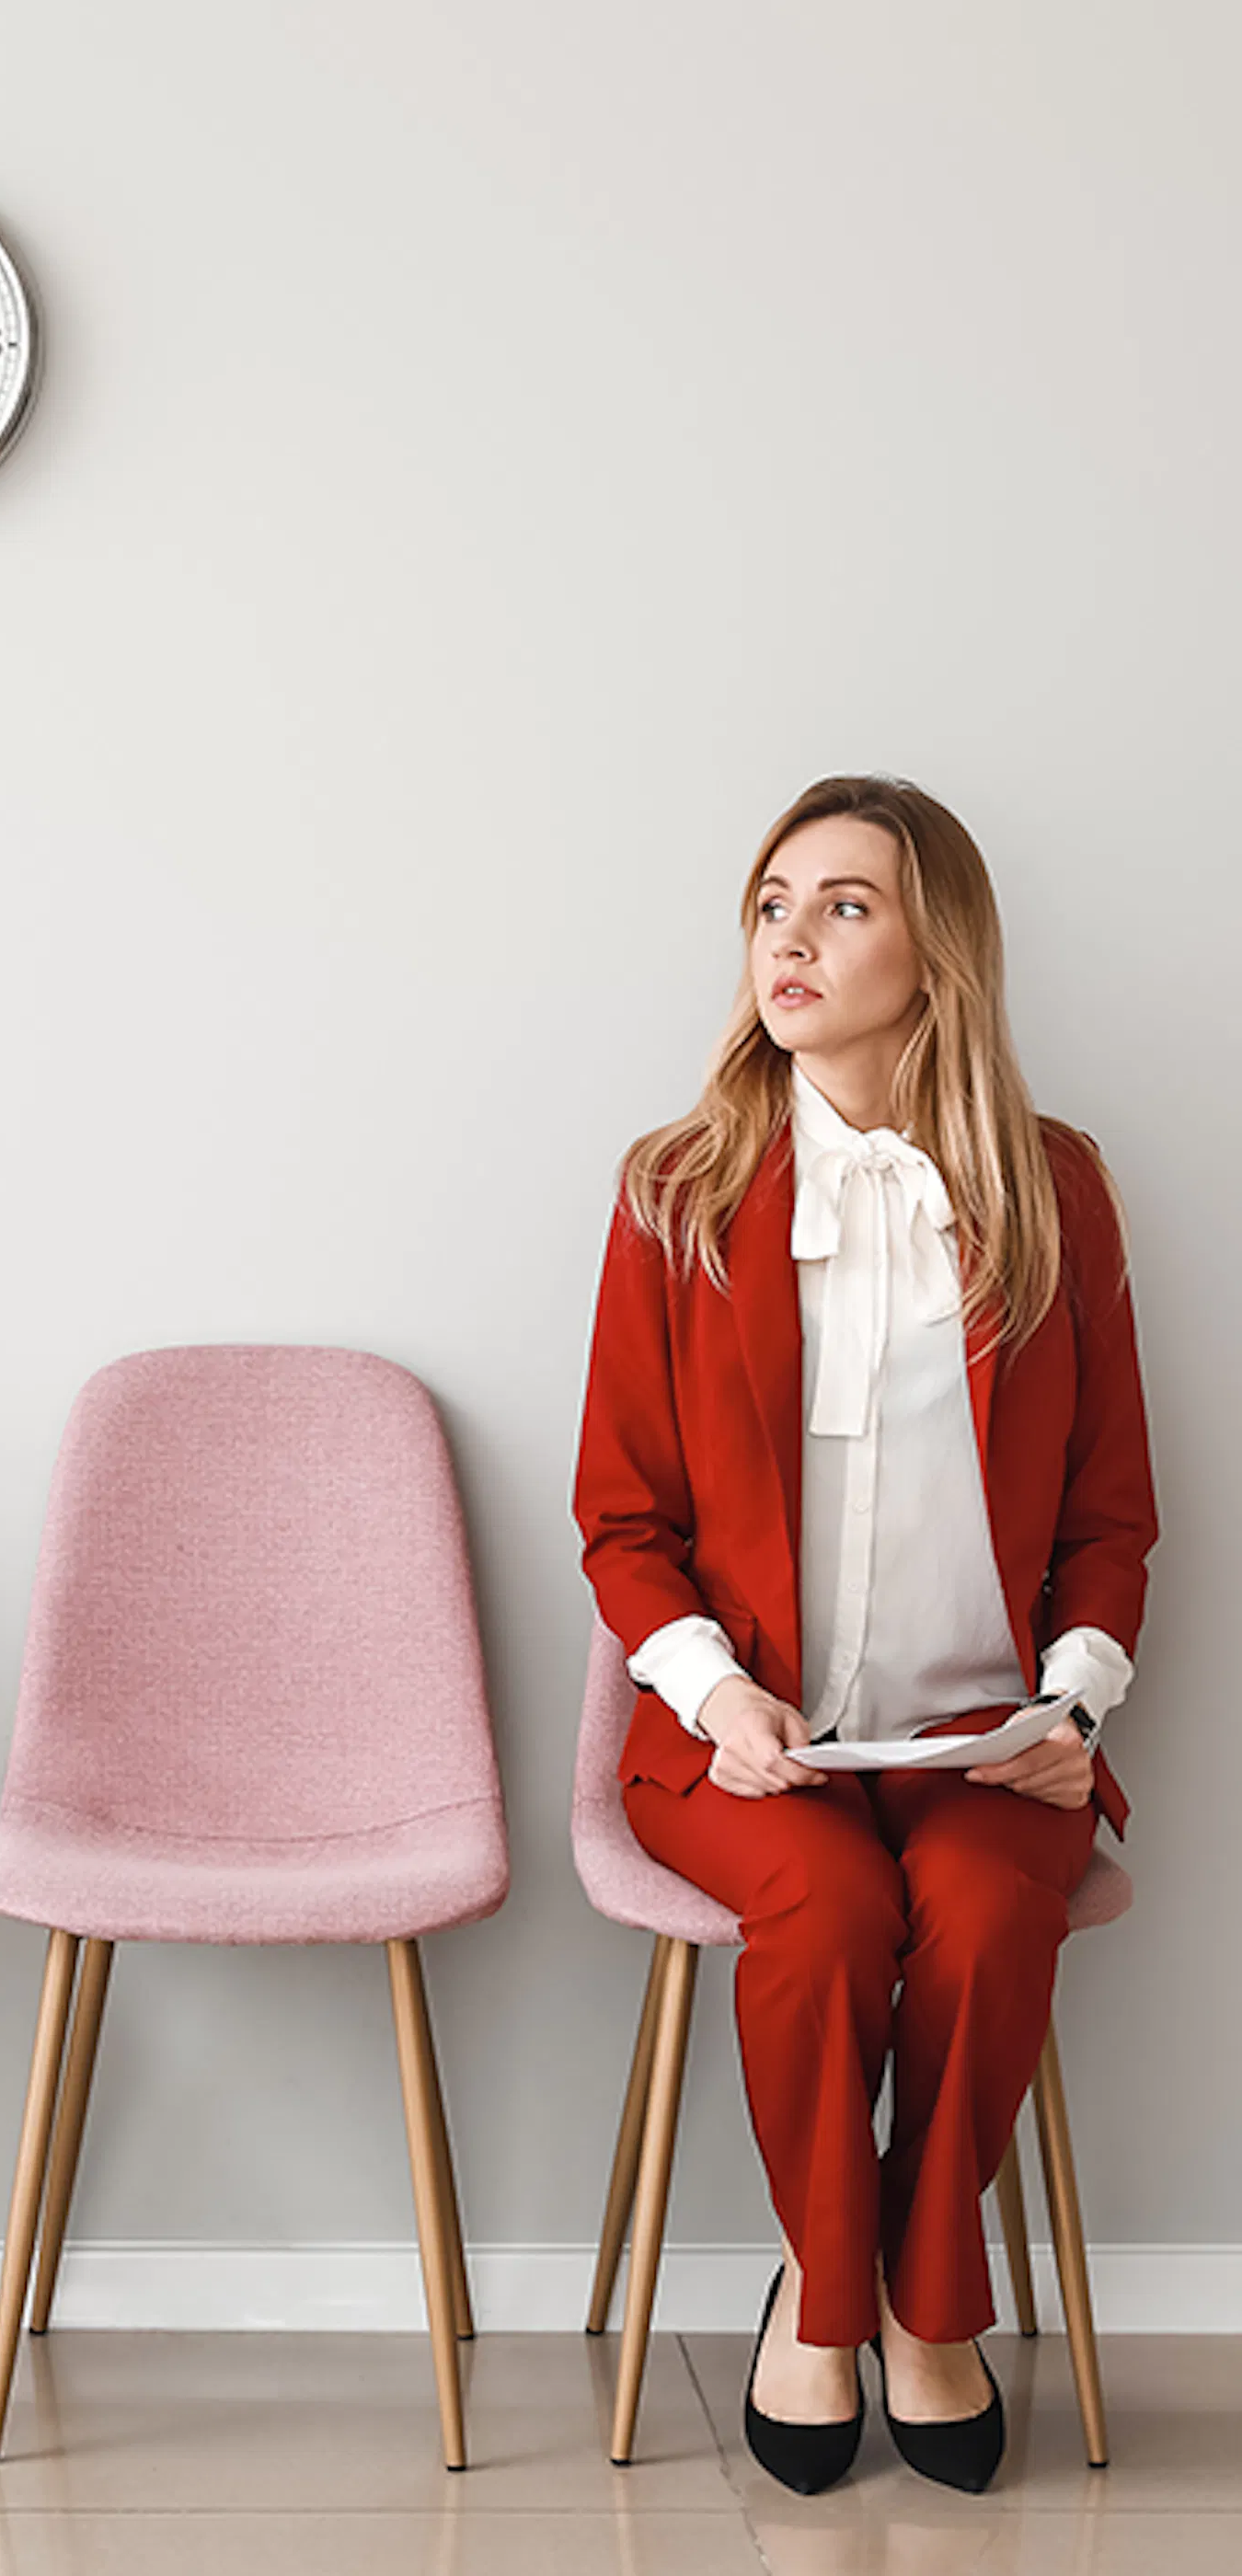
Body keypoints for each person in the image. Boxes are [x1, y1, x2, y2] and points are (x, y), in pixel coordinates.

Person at [573, 776, 1156, 2494]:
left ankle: (915, 2302)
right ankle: (844, 2309)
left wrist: (1076, 1703)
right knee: (823, 1924)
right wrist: (715, 1691)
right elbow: (623, 1519)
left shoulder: (1057, 1190)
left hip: (989, 1740)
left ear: (938, 949)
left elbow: (1113, 1514)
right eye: (773, 903)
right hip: (748, 1739)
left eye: (844, 904)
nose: (793, 938)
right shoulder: (678, 1192)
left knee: (978, 1916)